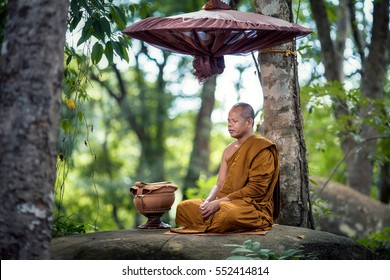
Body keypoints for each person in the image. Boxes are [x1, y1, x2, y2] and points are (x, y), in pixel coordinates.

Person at [172, 102, 280, 233]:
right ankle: (215, 220)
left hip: (249, 206)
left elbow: (256, 189)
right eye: (228, 121)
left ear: (249, 122)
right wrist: (207, 202)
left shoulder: (261, 148)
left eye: (234, 121)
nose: (229, 125)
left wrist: (219, 204)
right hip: (223, 203)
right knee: (184, 208)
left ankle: (215, 221)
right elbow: (219, 184)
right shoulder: (228, 150)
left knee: (229, 214)